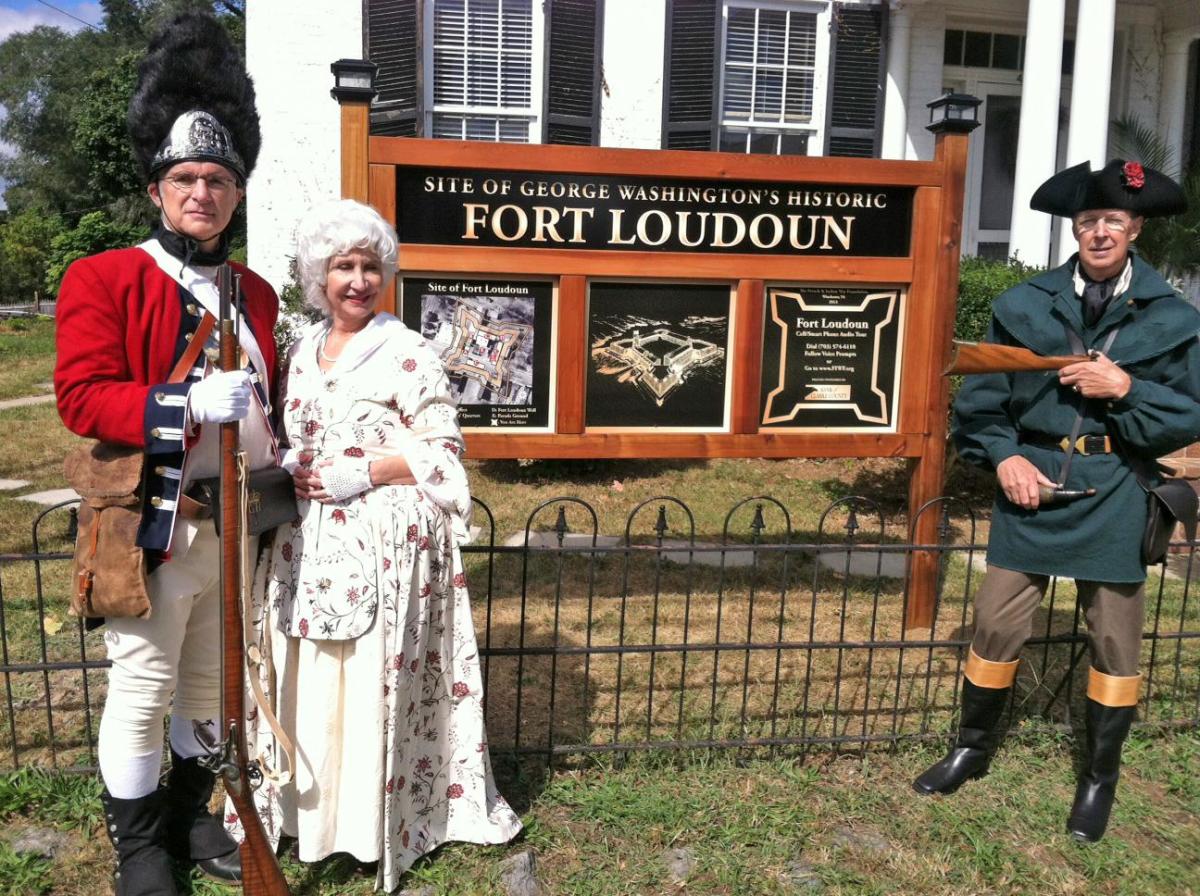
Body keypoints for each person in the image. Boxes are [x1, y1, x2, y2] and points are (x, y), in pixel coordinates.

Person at [229, 199, 521, 891]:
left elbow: (446, 449)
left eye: (368, 267)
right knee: (310, 678)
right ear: (318, 277)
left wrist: (371, 469)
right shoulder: (299, 351)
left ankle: (366, 826)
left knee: (364, 681)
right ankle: (310, 820)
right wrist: (292, 464)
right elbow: (284, 433)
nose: (357, 281)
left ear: (384, 275)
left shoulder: (409, 350)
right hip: (305, 544)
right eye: (342, 267)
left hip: (385, 544)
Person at [52, 13, 278, 895]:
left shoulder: (253, 291)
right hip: (153, 525)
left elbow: (270, 395)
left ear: (237, 192)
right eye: (186, 178)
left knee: (207, 690)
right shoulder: (103, 277)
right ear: (156, 190)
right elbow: (80, 397)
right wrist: (178, 401)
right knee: (142, 693)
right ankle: (140, 849)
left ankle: (191, 815)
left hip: (235, 522)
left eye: (219, 179)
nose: (203, 194)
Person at [912, 159, 1200, 842]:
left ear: (1134, 229)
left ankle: (1099, 779)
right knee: (996, 621)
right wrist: (1006, 457)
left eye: (1114, 222)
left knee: (1114, 638)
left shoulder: (1174, 317)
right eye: (1089, 221)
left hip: (1115, 491)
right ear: (1076, 228)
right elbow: (981, 405)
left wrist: (1126, 392)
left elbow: (1190, 415)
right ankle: (972, 749)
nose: (1100, 232)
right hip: (1032, 482)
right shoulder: (1023, 304)